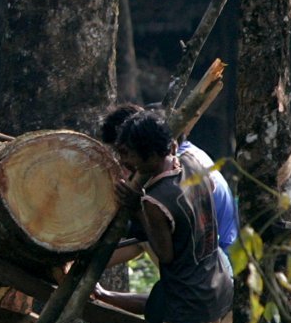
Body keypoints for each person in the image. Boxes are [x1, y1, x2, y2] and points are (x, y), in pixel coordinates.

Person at [96, 109, 234, 323]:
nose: (122, 161)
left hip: (188, 309)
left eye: (128, 154)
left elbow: (165, 253)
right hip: (219, 287)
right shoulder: (193, 164)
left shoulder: (155, 202)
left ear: (149, 156)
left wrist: (136, 208)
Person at [100, 103, 239, 253]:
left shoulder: (175, 175)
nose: (124, 161)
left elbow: (163, 247)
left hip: (220, 253)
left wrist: (137, 208)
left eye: (125, 153)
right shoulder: (186, 157)